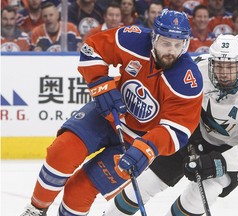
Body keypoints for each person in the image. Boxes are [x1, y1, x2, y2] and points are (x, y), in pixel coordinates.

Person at [20, 9, 203, 216]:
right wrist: (100, 85)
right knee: (61, 152)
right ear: (154, 38)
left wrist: (148, 148)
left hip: (137, 142)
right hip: (108, 114)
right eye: (166, 43)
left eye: (178, 45)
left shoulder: (188, 80)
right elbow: (92, 48)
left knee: (79, 192)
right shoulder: (133, 39)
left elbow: (179, 130)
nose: (172, 50)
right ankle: (36, 209)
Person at [102, 34, 238, 216]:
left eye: (230, 66)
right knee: (147, 182)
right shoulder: (197, 70)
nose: (224, 72)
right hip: (194, 132)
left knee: (205, 193)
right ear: (211, 62)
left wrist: (219, 161)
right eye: (218, 65)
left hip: (230, 149)